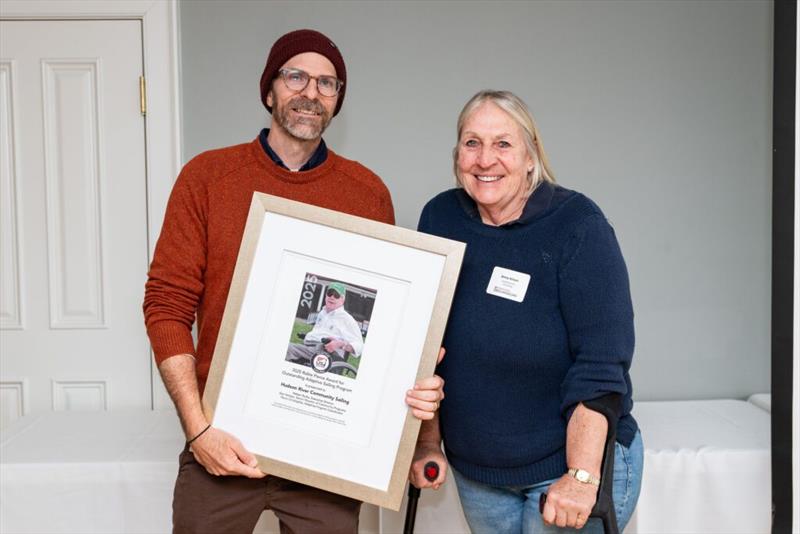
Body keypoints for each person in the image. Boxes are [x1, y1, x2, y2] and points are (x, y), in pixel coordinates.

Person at [143, 29, 443, 534]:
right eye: (296, 76)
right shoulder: (208, 176)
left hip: (326, 454)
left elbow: (383, 325)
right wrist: (199, 431)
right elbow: (166, 305)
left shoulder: (367, 193)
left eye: (328, 83)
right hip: (221, 437)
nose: (311, 92)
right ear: (269, 90)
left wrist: (421, 415)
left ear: (337, 100)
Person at [409, 90, 643, 533]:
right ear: (457, 154)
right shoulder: (441, 217)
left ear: (531, 157)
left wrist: (581, 476)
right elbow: (427, 343)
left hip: (564, 466)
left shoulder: (578, 227)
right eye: (472, 142)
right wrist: (427, 443)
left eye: (503, 144)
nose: (485, 159)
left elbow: (601, 365)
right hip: (479, 472)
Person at [286, 282, 364, 365]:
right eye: (329, 294)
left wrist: (340, 344)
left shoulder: (347, 319)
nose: (332, 297)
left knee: (286, 348)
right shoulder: (322, 313)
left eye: (336, 295)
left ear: (342, 299)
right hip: (309, 347)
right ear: (326, 296)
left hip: (325, 352)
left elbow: (360, 346)